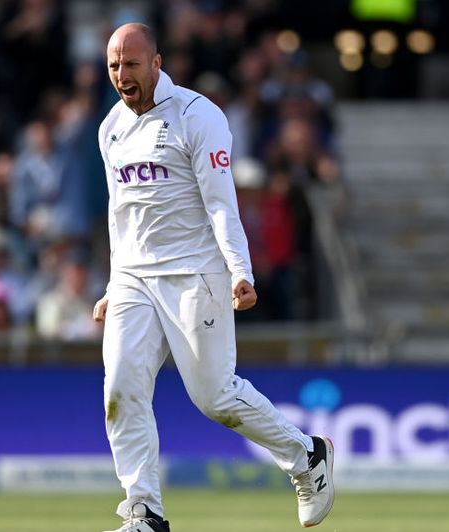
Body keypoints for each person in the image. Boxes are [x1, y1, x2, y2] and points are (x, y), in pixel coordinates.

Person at [92, 24, 334, 532]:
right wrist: (114, 285)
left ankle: (306, 456)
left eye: (131, 64)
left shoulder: (197, 115)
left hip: (194, 273)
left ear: (156, 63)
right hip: (135, 277)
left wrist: (239, 272)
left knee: (215, 397)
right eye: (114, 65)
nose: (121, 75)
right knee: (120, 386)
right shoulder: (111, 126)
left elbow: (222, 204)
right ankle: (143, 511)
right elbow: (122, 215)